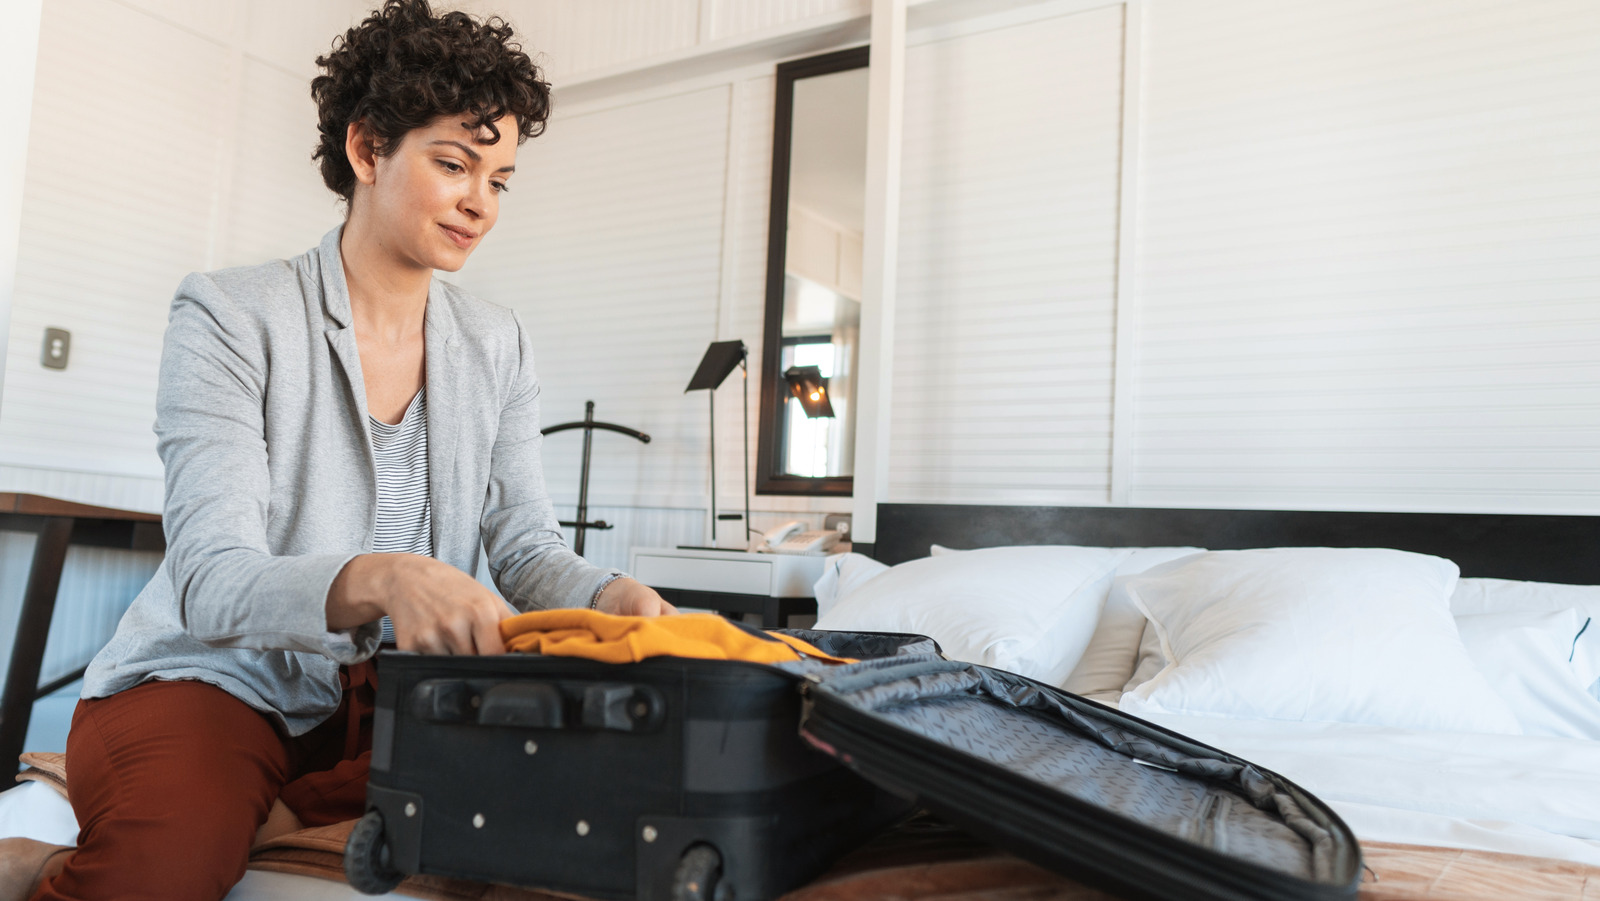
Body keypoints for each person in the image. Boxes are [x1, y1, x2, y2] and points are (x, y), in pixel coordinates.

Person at [0, 2, 675, 898]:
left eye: (501, 179)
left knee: (593, 757)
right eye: (454, 164)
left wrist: (610, 596)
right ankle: (46, 865)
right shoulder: (230, 314)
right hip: (222, 677)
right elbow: (212, 577)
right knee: (166, 870)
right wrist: (388, 577)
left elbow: (524, 546)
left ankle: (281, 811)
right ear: (366, 149)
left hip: (397, 696)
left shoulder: (498, 343)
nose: (480, 203)